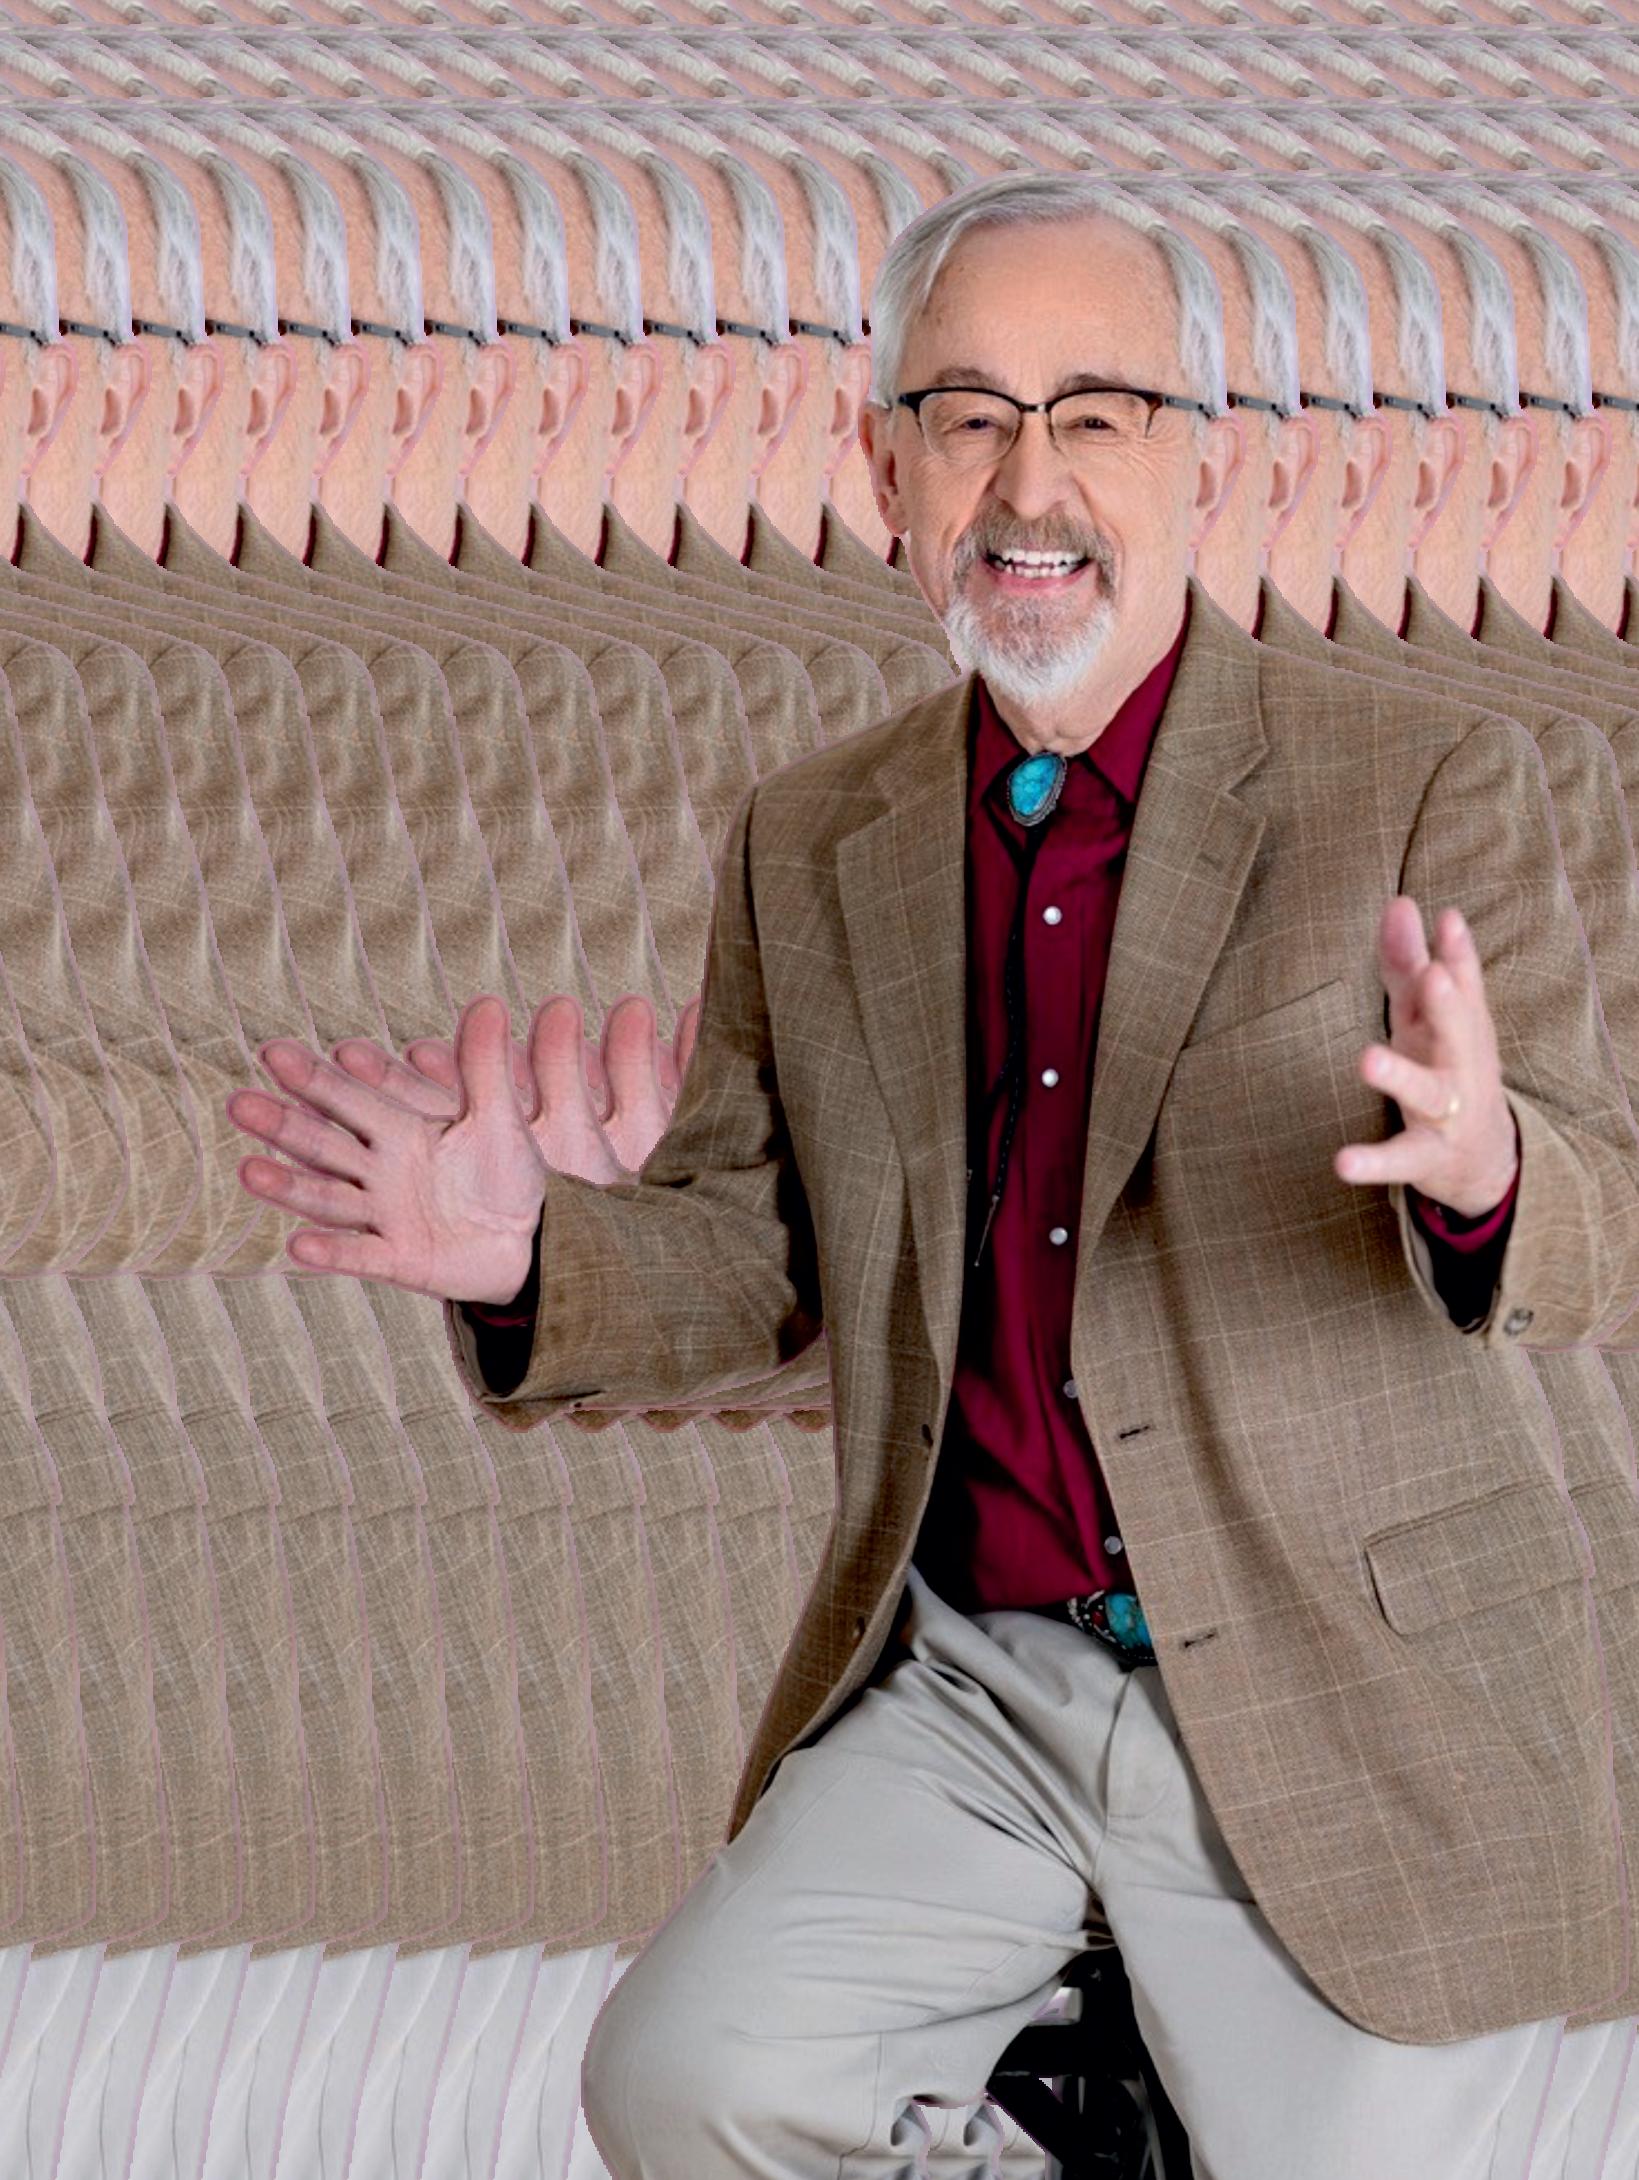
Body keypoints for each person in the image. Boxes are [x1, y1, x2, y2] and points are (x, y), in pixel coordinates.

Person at [226, 174, 1639, 2178]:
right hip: (980, 1681)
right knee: (681, 2080)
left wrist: (1485, 1169)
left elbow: (1607, 1197)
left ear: (1196, 454)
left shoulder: (1413, 780)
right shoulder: (813, 837)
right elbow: (761, 1253)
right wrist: (536, 1251)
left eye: (1094, 414)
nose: (1028, 481)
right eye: (968, 416)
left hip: (1337, 1681)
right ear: (883, 468)